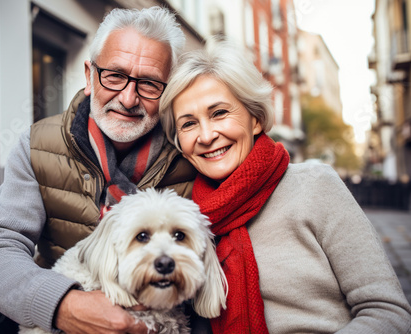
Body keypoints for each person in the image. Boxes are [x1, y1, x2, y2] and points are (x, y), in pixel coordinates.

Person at [0, 6, 198, 334]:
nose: (128, 97)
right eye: (115, 75)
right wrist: (62, 304)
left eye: (149, 84)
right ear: (89, 75)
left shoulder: (191, 154)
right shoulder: (39, 144)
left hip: (159, 316)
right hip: (55, 311)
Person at [159, 41, 411, 334]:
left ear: (255, 119)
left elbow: (388, 312)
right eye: (188, 124)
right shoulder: (183, 217)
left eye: (219, 113)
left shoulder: (315, 186)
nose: (206, 135)